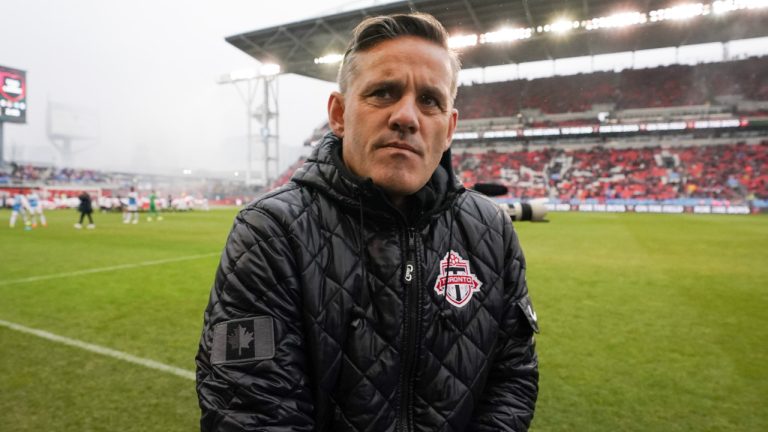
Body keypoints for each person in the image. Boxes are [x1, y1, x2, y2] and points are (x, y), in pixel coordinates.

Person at [196, 12, 539, 432]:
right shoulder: (271, 232)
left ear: (449, 129)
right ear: (339, 114)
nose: (407, 117)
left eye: (430, 100)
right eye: (383, 93)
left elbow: (513, 377)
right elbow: (250, 411)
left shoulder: (492, 230)